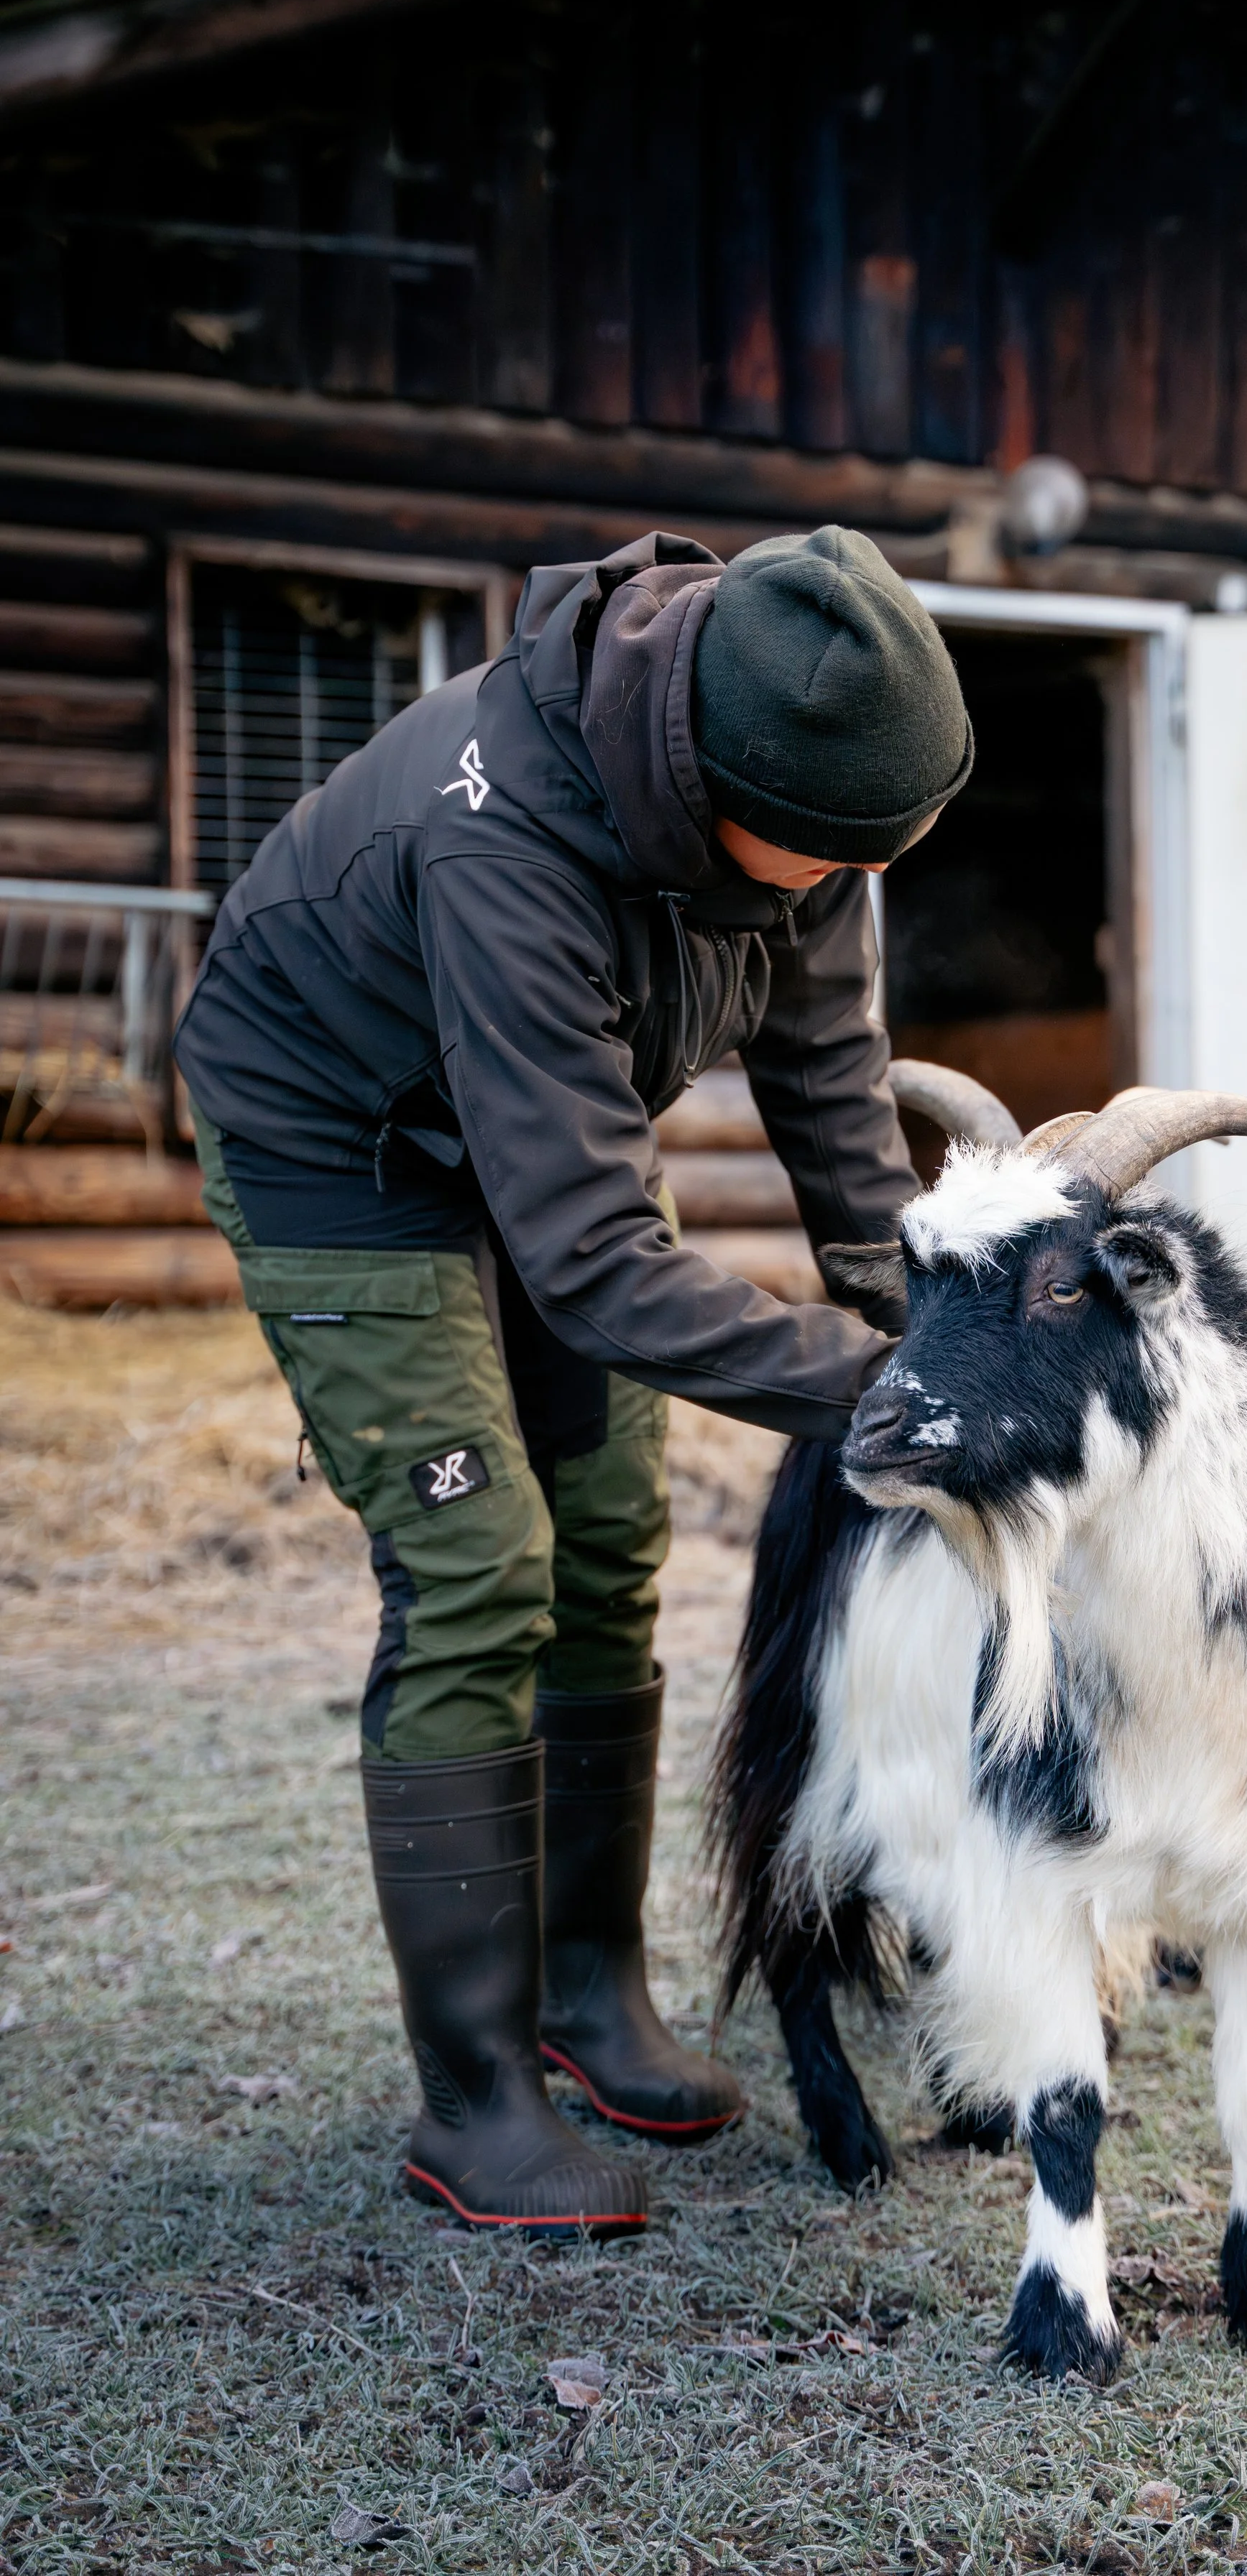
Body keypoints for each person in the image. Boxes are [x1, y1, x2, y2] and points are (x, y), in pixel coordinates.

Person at [175, 527, 970, 2235]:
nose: (839, 885)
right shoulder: (506, 840)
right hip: (345, 1145)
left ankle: (590, 1994)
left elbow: (832, 1089)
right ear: (715, 783)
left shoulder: (810, 800)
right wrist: (869, 1399)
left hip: (538, 1131)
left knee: (609, 1538)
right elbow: (598, 1268)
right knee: (482, 1568)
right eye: (822, 859)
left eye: (869, 861)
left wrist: (930, 1324)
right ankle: (473, 2104)